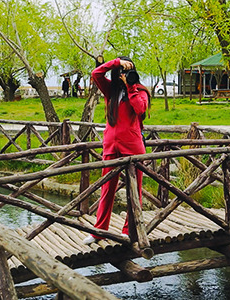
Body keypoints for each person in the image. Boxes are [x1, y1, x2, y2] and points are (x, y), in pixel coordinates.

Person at [83, 56, 150, 245]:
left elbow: (139, 108)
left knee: (134, 191)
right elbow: (96, 73)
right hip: (111, 146)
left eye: (127, 71)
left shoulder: (140, 91)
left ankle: (129, 230)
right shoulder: (110, 91)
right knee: (107, 190)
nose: (123, 75)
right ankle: (98, 232)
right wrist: (116, 62)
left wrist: (131, 87)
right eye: (121, 72)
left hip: (133, 147)